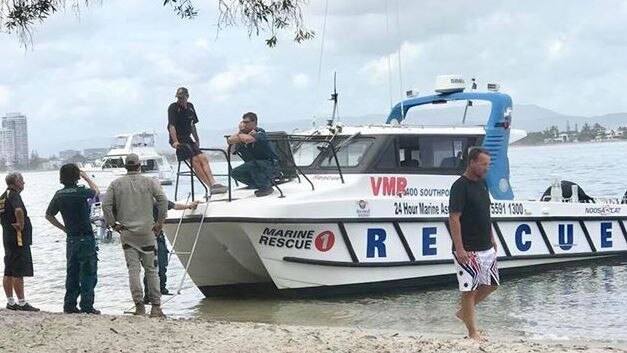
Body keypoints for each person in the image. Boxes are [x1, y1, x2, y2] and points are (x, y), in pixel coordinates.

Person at [102, 153, 168, 318]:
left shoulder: (116, 184)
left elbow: (106, 205)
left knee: (133, 270)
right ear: (139, 166)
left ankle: (139, 306)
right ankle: (156, 307)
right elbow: (163, 200)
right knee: (151, 270)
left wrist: (113, 224)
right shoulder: (149, 182)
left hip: (127, 233)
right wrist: (160, 222)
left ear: (126, 167)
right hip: (147, 232)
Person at [448, 147, 499, 341]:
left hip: (485, 245)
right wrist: (460, 248)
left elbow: (485, 214)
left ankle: (463, 313)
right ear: (472, 162)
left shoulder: (483, 184)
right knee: (468, 290)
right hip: (468, 248)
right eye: (483, 164)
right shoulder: (460, 186)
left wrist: (492, 237)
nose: (487, 168)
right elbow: (454, 218)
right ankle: (472, 332)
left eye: (488, 164)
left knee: (492, 284)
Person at [45, 164, 101, 314]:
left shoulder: (59, 194)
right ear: (76, 176)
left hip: (71, 238)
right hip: (85, 237)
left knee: (72, 272)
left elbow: (49, 215)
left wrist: (64, 228)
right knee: (88, 272)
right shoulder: (82, 192)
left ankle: (69, 304)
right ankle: (87, 305)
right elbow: (96, 191)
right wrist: (87, 177)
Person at [168, 87, 227, 195]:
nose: (180, 100)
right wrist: (175, 141)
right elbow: (172, 126)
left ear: (187, 97)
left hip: (188, 137)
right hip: (178, 138)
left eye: (182, 98)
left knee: (203, 158)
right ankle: (209, 186)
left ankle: (214, 183)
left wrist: (197, 139)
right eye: (178, 98)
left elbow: (193, 124)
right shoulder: (173, 107)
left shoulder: (190, 107)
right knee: (194, 160)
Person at [143, 199, 200, 303]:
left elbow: (173, 205)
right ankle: (149, 295)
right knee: (152, 266)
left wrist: (188, 206)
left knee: (161, 263)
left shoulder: (157, 198)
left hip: (156, 236)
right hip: (147, 237)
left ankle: (160, 289)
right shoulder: (148, 199)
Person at [0, 172, 39, 311]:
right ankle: (22, 302)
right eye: (21, 180)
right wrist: (21, 224)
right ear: (16, 181)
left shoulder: (3, 197)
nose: (24, 183)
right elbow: (18, 210)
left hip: (7, 237)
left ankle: (10, 302)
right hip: (18, 238)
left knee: (9, 270)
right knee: (18, 270)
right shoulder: (14, 194)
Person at [227, 112, 279, 197]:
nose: (244, 124)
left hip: (269, 164)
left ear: (254, 122)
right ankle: (258, 184)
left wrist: (237, 136)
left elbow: (249, 139)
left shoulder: (260, 132)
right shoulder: (242, 135)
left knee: (254, 164)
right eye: (243, 122)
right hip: (254, 166)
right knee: (234, 173)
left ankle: (265, 187)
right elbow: (231, 150)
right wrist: (238, 135)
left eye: (247, 122)